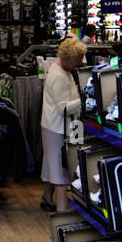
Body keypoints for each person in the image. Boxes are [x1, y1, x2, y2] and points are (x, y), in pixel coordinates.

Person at [40, 36, 86, 212]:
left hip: (56, 125)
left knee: (52, 163)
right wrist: (84, 100)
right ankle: (62, 206)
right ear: (67, 58)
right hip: (58, 126)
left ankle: (47, 197)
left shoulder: (58, 68)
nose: (81, 63)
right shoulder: (60, 76)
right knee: (60, 166)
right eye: (78, 59)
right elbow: (63, 109)